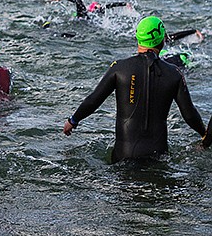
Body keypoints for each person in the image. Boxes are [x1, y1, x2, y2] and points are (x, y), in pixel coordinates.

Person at [63, 16, 211, 161]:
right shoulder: (174, 73)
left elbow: (94, 100)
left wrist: (73, 120)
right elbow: (189, 114)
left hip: (123, 156)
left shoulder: (120, 68)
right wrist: (205, 135)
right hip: (158, 157)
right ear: (162, 40)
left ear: (138, 38)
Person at [50, 0, 128, 19]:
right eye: (96, 7)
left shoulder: (99, 13)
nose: (98, 8)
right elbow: (78, 0)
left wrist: (125, 4)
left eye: (99, 6)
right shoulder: (83, 14)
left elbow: (110, 5)